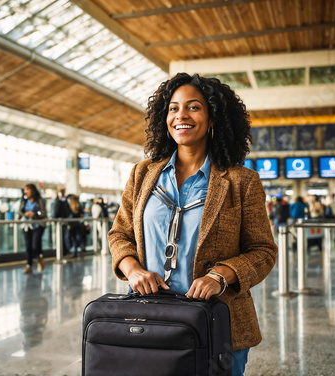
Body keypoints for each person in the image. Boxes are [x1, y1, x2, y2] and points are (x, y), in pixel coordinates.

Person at [107, 72, 278, 375]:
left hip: (218, 323)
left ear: (213, 118)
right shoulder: (142, 174)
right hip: (152, 320)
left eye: (194, 107)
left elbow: (263, 251)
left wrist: (220, 276)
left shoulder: (241, 181)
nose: (181, 115)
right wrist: (132, 270)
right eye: (173, 108)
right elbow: (120, 233)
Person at [19, 184, 47, 274]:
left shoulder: (39, 200)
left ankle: (39, 258)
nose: (25, 192)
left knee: (35, 245)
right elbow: (20, 211)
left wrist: (34, 214)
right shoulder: (24, 200)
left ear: (33, 191)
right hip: (27, 225)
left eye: (27, 189)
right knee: (28, 246)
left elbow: (43, 213)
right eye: (24, 189)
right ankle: (29, 265)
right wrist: (25, 214)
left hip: (37, 225)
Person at [53, 187, 72, 255]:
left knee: (63, 238)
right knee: (63, 238)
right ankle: (63, 252)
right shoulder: (62, 201)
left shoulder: (61, 201)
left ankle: (64, 252)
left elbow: (56, 212)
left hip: (62, 222)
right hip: (62, 222)